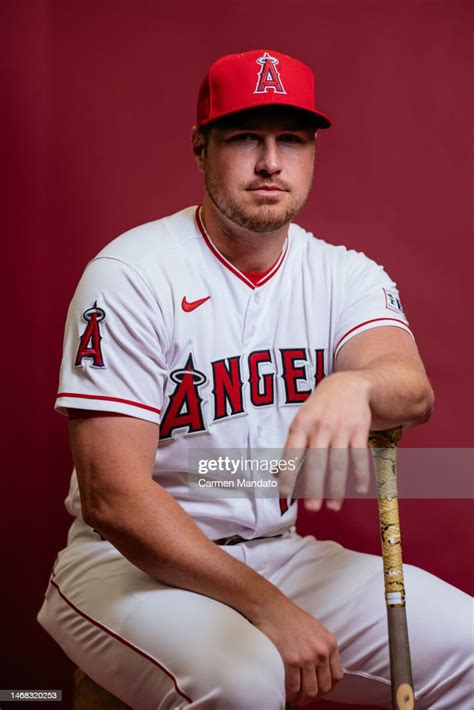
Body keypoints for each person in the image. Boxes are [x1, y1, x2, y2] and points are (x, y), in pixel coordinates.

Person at [37, 49, 472, 708]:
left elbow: (411, 388)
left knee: (469, 643)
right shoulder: (131, 274)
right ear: (200, 146)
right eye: (245, 137)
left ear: (311, 154)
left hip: (277, 551)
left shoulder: (342, 275)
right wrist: (268, 609)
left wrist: (355, 386)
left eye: (290, 140)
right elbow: (114, 499)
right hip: (125, 565)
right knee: (245, 682)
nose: (271, 161)